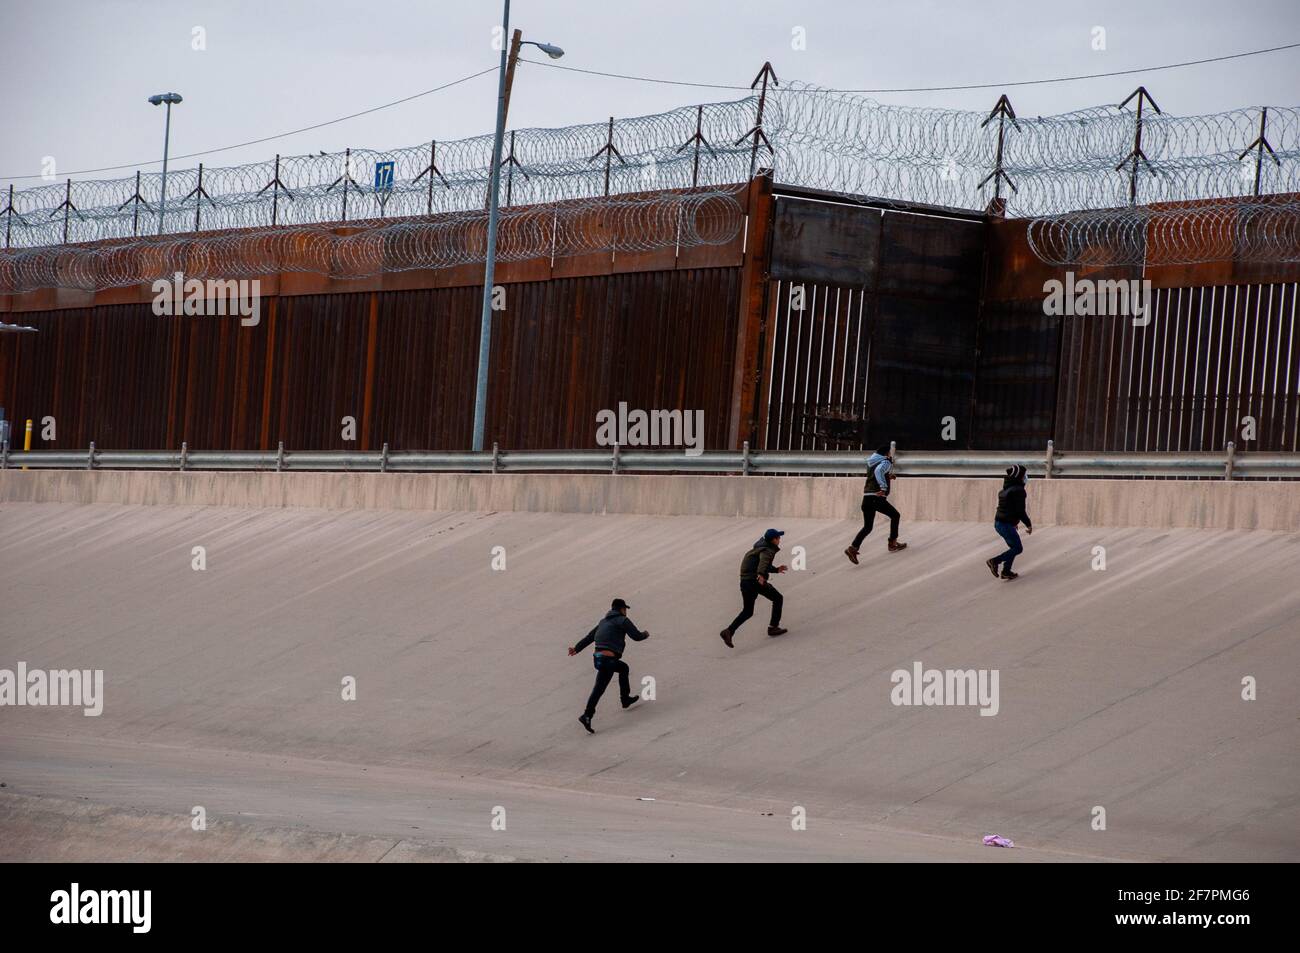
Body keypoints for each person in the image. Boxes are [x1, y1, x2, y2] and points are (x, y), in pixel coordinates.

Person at [569, 598, 648, 733]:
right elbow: (636, 636)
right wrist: (645, 634)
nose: (626, 612)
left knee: (599, 688)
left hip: (598, 659)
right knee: (623, 668)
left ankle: (587, 715)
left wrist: (576, 648)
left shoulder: (603, 622)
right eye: (625, 609)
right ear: (621, 609)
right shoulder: (622, 620)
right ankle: (625, 700)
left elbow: (589, 637)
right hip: (608, 660)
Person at [719, 529, 788, 648]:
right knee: (778, 598)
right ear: (773, 540)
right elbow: (763, 562)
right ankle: (773, 627)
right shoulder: (768, 550)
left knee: (748, 611)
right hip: (754, 581)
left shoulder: (760, 548)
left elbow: (762, 562)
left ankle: (729, 631)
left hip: (745, 582)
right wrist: (761, 575)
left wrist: (776, 570)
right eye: (778, 538)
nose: (779, 540)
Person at [844, 444, 907, 564]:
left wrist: (888, 477)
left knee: (868, 527)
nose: (890, 455)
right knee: (895, 515)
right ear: (886, 453)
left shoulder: (871, 462)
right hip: (876, 498)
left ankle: (852, 548)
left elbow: (875, 474)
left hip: (867, 499)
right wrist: (883, 487)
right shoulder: (886, 461)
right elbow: (879, 472)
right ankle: (892, 543)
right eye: (889, 453)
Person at [986, 464, 1032, 581]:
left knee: (1013, 547)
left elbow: (1009, 508)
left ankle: (1006, 571)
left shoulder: (1005, 490)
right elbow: (1020, 510)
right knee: (1017, 548)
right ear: (1019, 476)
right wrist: (1028, 524)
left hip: (1000, 523)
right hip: (1005, 524)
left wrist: (1013, 522)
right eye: (1024, 475)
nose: (1026, 477)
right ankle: (994, 561)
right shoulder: (1018, 491)